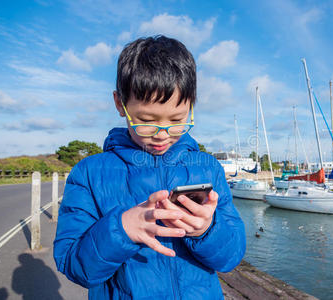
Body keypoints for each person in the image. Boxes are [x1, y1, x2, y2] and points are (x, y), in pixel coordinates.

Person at [53, 35, 246, 299]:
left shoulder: (208, 167)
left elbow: (231, 257)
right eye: (146, 120)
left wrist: (207, 230)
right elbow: (74, 266)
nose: (162, 134)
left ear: (191, 105)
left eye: (177, 120)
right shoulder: (88, 174)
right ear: (120, 104)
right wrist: (121, 229)